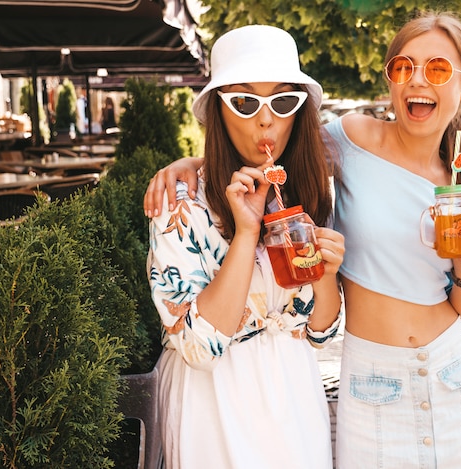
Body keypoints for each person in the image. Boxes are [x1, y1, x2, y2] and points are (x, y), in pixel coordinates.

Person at [144, 12, 461, 468]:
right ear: (390, 79)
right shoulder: (351, 140)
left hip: (449, 367)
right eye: (404, 67)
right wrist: (191, 163)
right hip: (368, 377)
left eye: (439, 69)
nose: (418, 81)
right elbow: (269, 144)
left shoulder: (459, 180)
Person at [146, 25, 345, 469]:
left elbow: (321, 333)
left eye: (282, 101)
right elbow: (198, 349)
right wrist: (247, 232)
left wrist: (327, 274)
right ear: (218, 110)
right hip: (212, 402)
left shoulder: (308, 193)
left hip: (293, 392)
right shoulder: (180, 201)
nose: (265, 119)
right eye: (244, 101)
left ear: (299, 111)